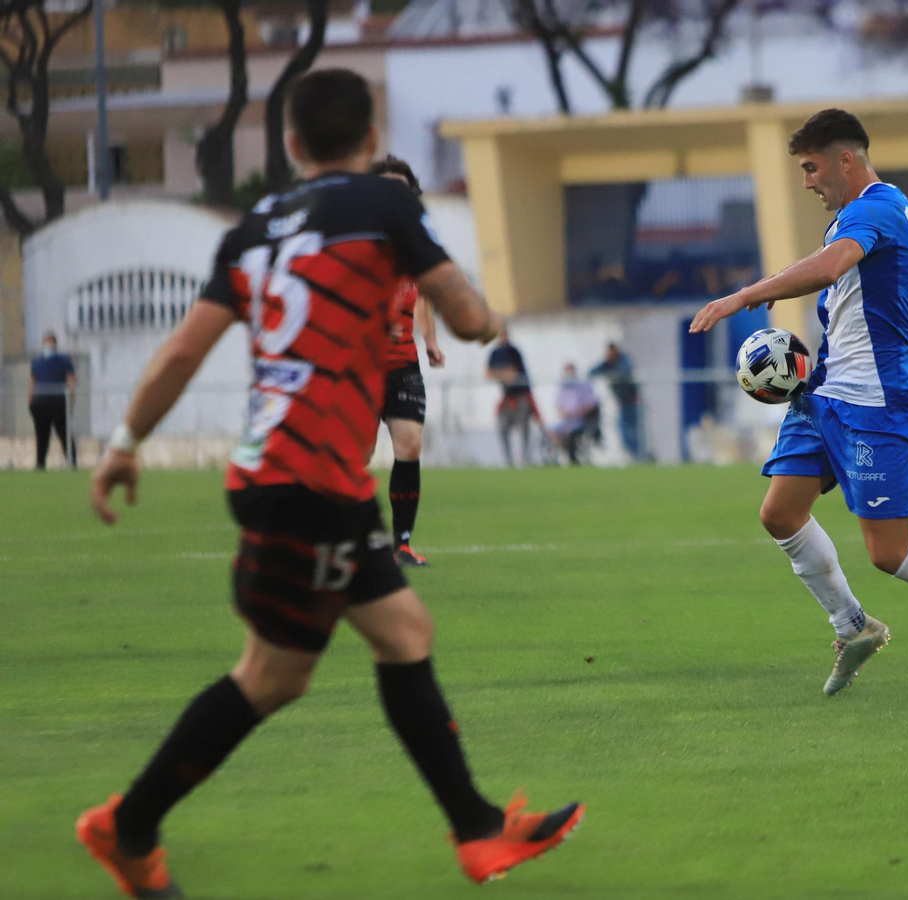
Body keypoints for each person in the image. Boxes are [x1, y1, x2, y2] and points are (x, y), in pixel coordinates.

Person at [78, 69, 583, 898]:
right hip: (307, 478)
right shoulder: (384, 207)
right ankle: (126, 827)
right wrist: (489, 319)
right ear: (369, 136)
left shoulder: (253, 228)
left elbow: (180, 351)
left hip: (285, 470)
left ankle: (478, 830)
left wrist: (125, 442)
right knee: (273, 675)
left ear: (291, 144)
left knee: (400, 632)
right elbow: (460, 313)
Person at [689, 108, 908, 696]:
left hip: (876, 399)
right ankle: (853, 627)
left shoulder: (878, 207)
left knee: (888, 551)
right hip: (825, 391)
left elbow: (829, 268)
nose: (807, 181)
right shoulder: (861, 213)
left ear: (844, 159)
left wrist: (743, 295)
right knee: (779, 513)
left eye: (811, 167)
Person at [371, 155, 445, 567]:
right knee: (358, 455)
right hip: (361, 365)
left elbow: (427, 291)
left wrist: (430, 341)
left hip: (402, 362)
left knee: (410, 445)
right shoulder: (357, 241)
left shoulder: (415, 240)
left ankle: (402, 543)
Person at [487, 331, 540, 467]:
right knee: (502, 427)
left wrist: (499, 374)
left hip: (521, 398)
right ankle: (508, 461)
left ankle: (524, 461)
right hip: (506, 399)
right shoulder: (494, 353)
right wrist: (504, 374)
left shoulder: (513, 351)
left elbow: (513, 375)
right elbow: (488, 374)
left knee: (524, 429)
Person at [29, 330, 76, 470]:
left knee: (64, 433)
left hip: (58, 403)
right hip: (41, 404)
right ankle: (40, 463)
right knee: (42, 435)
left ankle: (72, 462)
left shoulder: (63, 360)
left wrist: (71, 398)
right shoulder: (37, 362)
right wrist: (31, 399)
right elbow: (32, 381)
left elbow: (71, 379)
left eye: (51, 343)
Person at [590, 342, 644, 461]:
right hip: (622, 403)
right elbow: (592, 371)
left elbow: (624, 372)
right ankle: (633, 456)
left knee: (634, 431)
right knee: (624, 432)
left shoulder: (624, 360)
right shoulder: (608, 363)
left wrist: (609, 373)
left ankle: (639, 456)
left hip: (632, 402)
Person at [553, 362, 600, 465]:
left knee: (570, 433)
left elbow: (592, 404)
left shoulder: (583, 386)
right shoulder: (562, 387)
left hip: (580, 421)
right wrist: (564, 413)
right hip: (566, 421)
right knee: (553, 432)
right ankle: (556, 458)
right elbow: (559, 406)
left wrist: (578, 412)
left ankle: (572, 456)